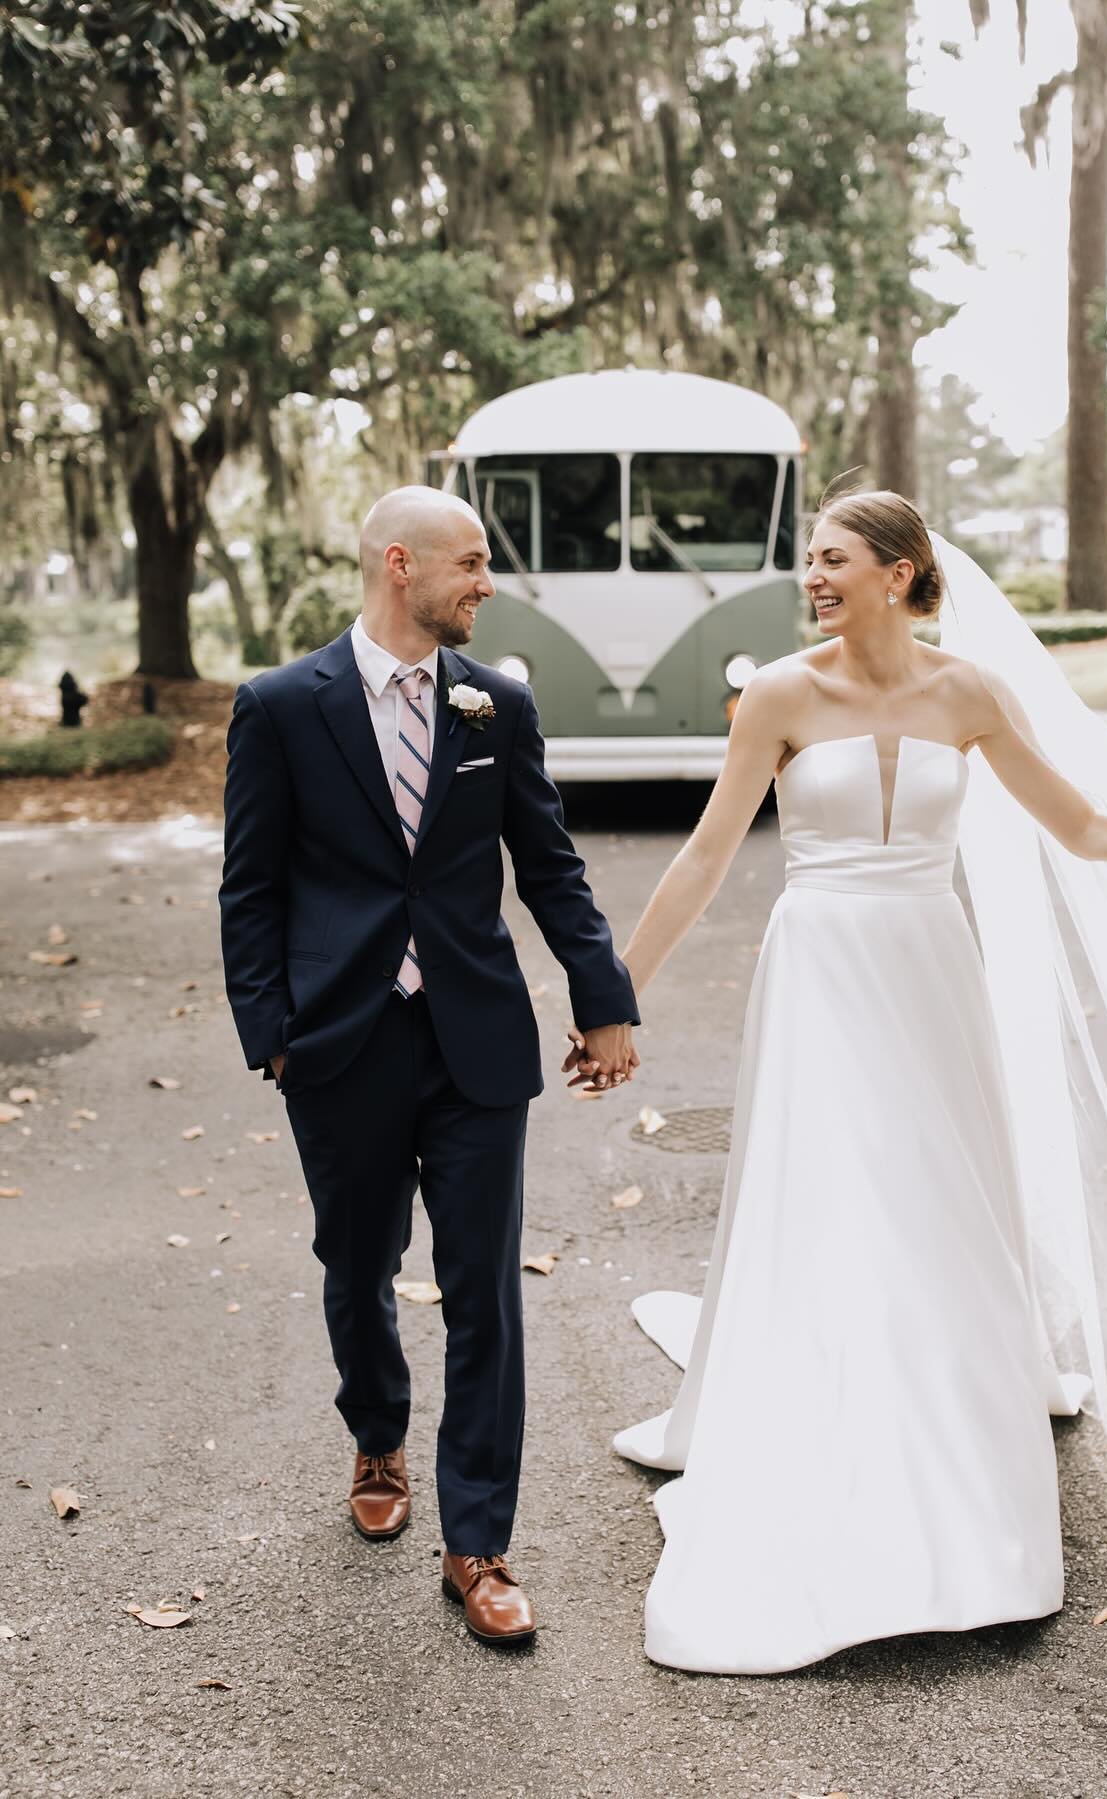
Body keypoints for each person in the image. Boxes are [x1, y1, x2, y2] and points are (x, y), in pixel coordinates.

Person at [611, 489, 1107, 1675]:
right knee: (826, 1186)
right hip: (818, 963)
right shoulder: (777, 691)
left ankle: (951, 1428)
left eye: (834, 559)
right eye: (809, 560)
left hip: (926, 964)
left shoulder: (968, 692)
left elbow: (1083, 826)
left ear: (903, 572)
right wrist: (618, 993)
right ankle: (820, 1407)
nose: (812, 577)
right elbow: (710, 851)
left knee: (938, 1190)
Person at [220, 485, 638, 1647]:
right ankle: (377, 1430)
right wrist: (273, 1032)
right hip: (337, 1040)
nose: (487, 582)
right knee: (356, 1265)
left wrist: (602, 999)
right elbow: (249, 888)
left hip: (475, 1041)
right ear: (399, 564)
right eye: (471, 561)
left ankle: (481, 1543)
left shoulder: (496, 703)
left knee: (483, 1292)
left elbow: (549, 866)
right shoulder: (278, 706)